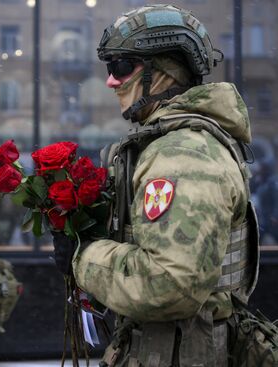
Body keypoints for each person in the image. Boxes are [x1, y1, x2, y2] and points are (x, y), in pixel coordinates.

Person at [52, 4, 264, 366]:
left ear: (164, 72)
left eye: (121, 67)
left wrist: (83, 256)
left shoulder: (184, 154)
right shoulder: (168, 144)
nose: (110, 81)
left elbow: (168, 285)